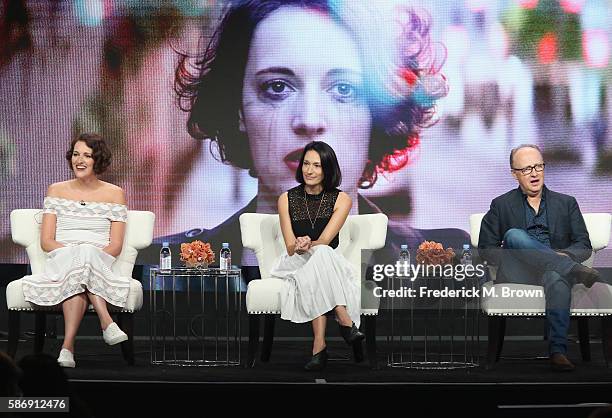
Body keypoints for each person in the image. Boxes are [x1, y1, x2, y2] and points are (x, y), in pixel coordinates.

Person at [161, 0, 469, 281]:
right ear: (238, 109)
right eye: (278, 87)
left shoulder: (449, 270)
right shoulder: (164, 271)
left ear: (376, 114)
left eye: (344, 90)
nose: (309, 119)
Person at [478, 144, 601, 372]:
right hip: (518, 273)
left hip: (553, 273)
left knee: (556, 274)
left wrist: (560, 257)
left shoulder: (566, 203)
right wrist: (511, 252)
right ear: (514, 173)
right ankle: (571, 269)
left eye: (538, 166)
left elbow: (584, 245)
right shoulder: (501, 205)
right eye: (526, 169)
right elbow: (486, 249)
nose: (534, 173)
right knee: (514, 235)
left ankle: (558, 352)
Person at [21, 133, 130, 368]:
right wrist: (76, 252)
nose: (79, 160)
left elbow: (116, 245)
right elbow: (47, 241)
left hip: (99, 259)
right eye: (76, 154)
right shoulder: (56, 190)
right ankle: (107, 323)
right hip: (61, 257)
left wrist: (87, 254)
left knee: (85, 260)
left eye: (87, 155)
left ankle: (67, 347)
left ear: (97, 160)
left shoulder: (115, 193)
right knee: (81, 258)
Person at [273, 141, 364, 371]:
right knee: (320, 260)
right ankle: (344, 320)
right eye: (306, 164)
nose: (309, 170)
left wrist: (309, 243)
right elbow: (290, 247)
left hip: (325, 259)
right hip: (295, 261)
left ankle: (319, 347)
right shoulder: (286, 199)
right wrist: (299, 245)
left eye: (317, 165)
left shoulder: (342, 200)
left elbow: (325, 241)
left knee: (322, 254)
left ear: (327, 169)